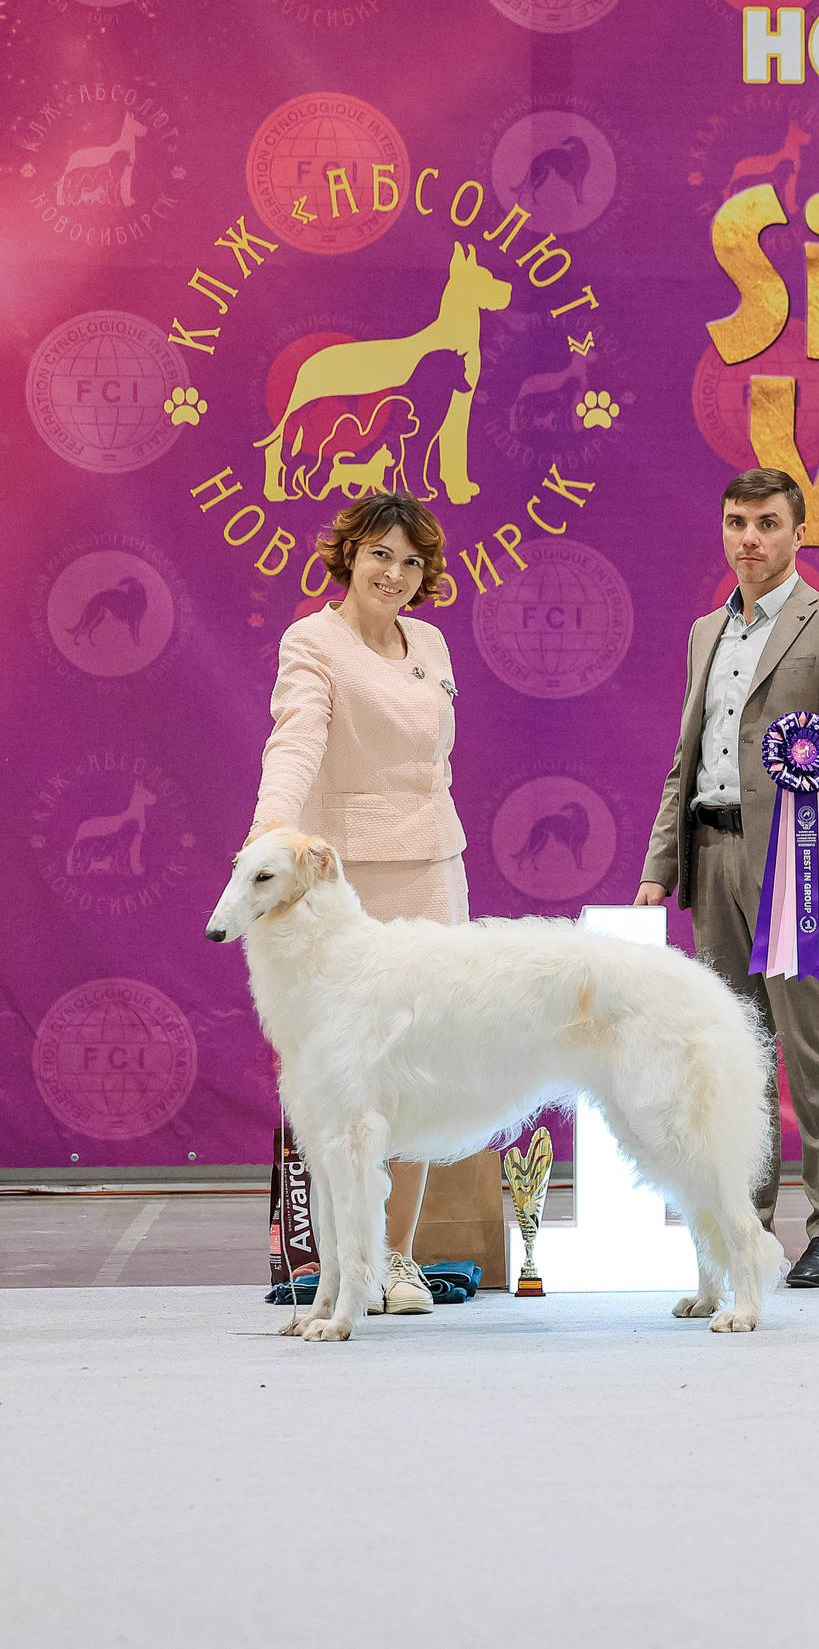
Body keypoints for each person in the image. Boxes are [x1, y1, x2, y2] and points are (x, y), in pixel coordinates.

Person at [639, 468, 819, 1288]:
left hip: (792, 861)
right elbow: (686, 758)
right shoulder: (706, 630)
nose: (750, 537)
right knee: (733, 1052)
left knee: (814, 1048)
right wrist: (657, 867)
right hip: (710, 856)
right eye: (737, 521)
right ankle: (745, 1227)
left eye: (767, 523)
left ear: (798, 533)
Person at [248, 491, 464, 1317]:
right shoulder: (313, 640)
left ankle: (398, 1259)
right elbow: (296, 734)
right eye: (380, 553)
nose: (396, 573)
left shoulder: (433, 642)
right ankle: (339, 1263)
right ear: (349, 556)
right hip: (340, 886)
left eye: (412, 560)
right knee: (338, 1079)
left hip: (433, 869)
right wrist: (275, 827)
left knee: (423, 1067)